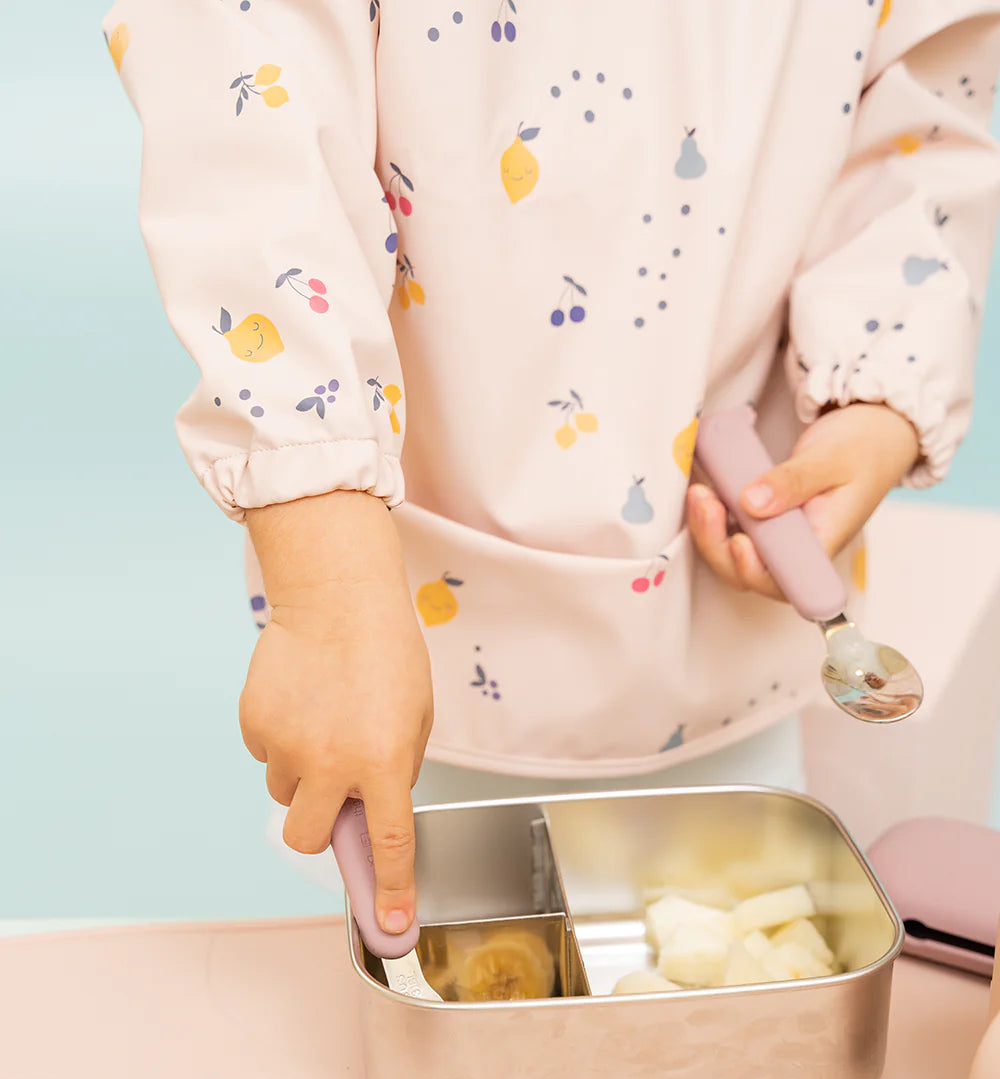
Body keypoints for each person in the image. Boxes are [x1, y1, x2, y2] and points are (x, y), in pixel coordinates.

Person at [105, 0, 1000, 935]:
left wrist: (876, 396)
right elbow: (245, 100)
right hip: (403, 634)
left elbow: (922, 96)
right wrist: (328, 584)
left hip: (726, 638)